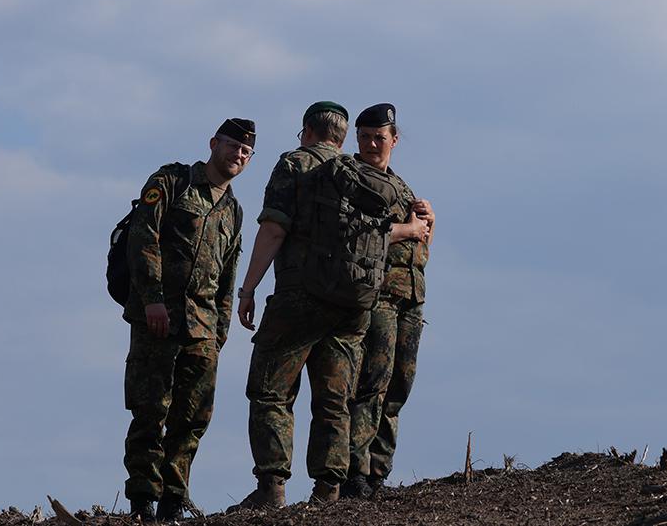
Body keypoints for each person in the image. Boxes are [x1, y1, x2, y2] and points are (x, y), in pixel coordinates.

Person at [231, 102, 428, 509]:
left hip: (300, 297)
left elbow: (273, 230)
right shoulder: (365, 176)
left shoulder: (296, 164)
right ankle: (328, 490)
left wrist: (248, 288)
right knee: (334, 399)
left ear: (307, 132)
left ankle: (272, 488)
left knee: (271, 391)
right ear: (342, 137)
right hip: (352, 305)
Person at [122, 118, 255, 522]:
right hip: (159, 320)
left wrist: (220, 331)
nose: (238, 155)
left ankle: (173, 500)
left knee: (193, 419)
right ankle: (143, 500)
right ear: (213, 143)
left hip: (203, 329)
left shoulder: (233, 210)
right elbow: (142, 238)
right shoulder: (172, 182)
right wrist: (152, 300)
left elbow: (228, 275)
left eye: (246, 151)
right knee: (150, 410)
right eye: (232, 145)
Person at [344, 103, 434, 499]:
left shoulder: (402, 186)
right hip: (377, 295)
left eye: (378, 137)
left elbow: (418, 248)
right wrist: (410, 229)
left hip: (410, 296)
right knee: (372, 382)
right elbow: (357, 232)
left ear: (394, 140)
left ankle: (379, 471)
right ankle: (356, 471)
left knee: (400, 383)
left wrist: (427, 225)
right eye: (364, 137)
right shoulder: (352, 179)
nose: (370, 144)